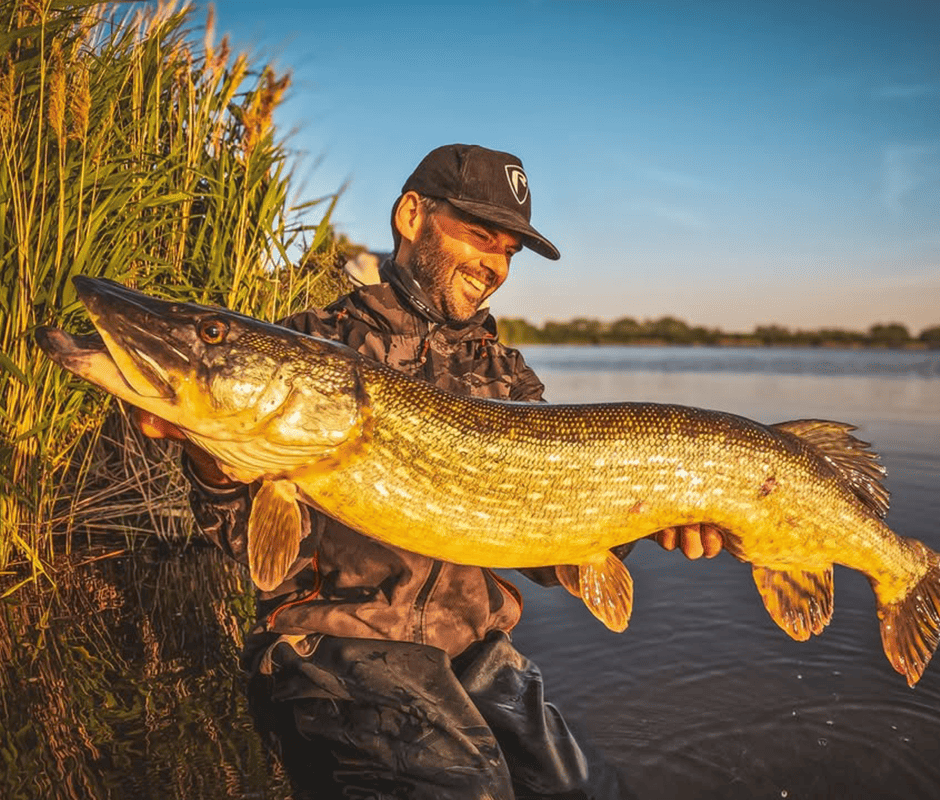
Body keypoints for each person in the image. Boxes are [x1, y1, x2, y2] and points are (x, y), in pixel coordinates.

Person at [136, 144, 724, 800]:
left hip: (476, 655)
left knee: (588, 792)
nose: (495, 265)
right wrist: (208, 459)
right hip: (334, 652)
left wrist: (644, 522)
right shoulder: (308, 346)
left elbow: (542, 548)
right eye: (479, 236)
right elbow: (244, 543)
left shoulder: (505, 376)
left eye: (508, 250)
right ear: (412, 216)